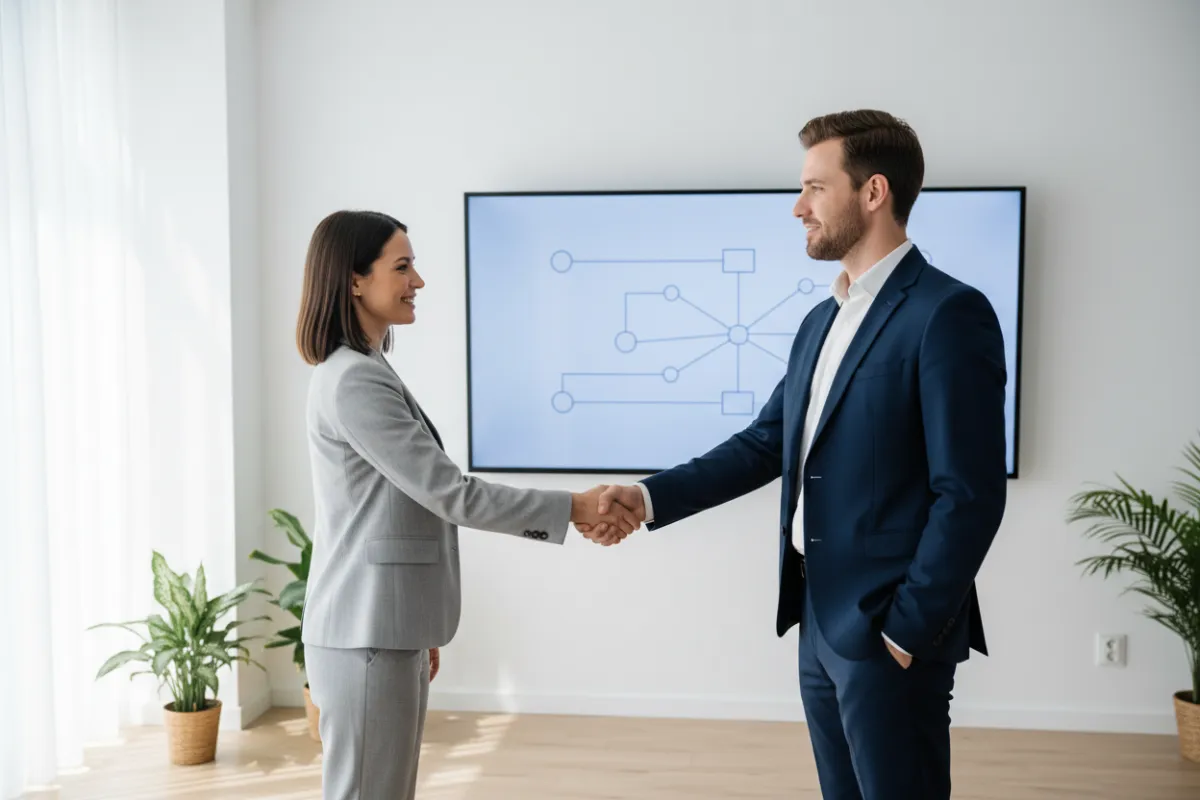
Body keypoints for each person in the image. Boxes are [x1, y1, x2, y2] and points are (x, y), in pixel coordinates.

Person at [580, 110, 1008, 799]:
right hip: (817, 620)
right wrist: (649, 496)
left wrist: (908, 629)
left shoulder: (948, 313)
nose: (797, 207)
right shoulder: (823, 320)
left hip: (887, 631)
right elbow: (765, 443)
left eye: (815, 187)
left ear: (873, 193)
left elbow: (970, 492)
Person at [294, 209, 639, 800]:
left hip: (383, 624)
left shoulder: (366, 369)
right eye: (402, 267)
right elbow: (448, 492)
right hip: (366, 629)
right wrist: (577, 508)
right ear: (355, 280)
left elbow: (397, 505)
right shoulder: (354, 380)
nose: (418, 281)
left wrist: (419, 622)